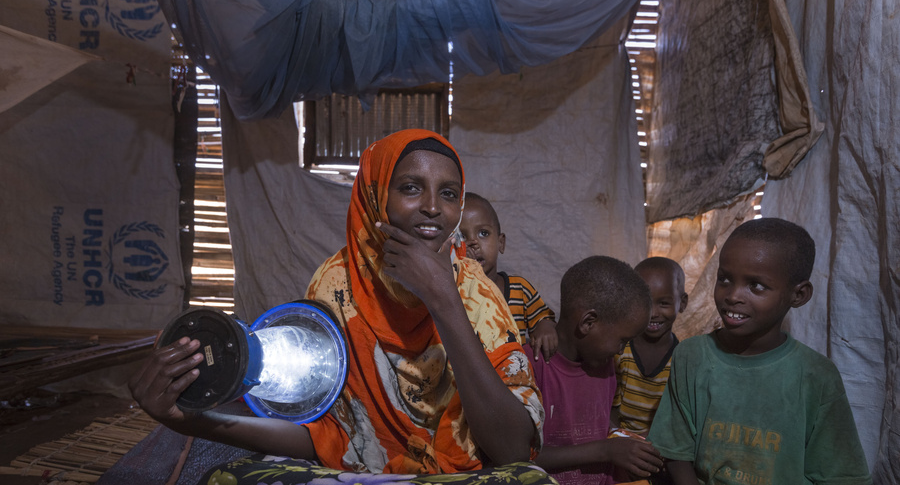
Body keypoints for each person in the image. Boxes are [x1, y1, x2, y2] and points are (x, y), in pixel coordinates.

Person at [129, 130, 546, 480]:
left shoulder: (476, 292)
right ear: (374, 195)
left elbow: (512, 450)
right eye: (410, 187)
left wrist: (444, 300)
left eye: (449, 194)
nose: (433, 208)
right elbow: (327, 438)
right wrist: (187, 420)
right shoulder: (337, 285)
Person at [647, 218, 872, 485]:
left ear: (798, 295)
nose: (733, 296)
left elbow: (840, 476)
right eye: (724, 279)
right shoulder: (692, 356)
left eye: (756, 285)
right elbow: (675, 451)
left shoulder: (816, 376)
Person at [527, 255, 665, 485]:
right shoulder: (529, 367)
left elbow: (597, 429)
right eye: (622, 340)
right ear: (588, 323)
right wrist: (607, 451)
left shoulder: (605, 367)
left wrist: (628, 447)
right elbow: (519, 456)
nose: (621, 351)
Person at [459, 192, 558, 361]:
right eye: (461, 236)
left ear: (501, 243)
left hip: (515, 374)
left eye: (483, 233)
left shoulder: (519, 289)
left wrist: (545, 327)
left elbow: (544, 319)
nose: (473, 242)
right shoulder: (454, 293)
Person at [613, 256, 688, 437]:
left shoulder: (683, 360)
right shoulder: (619, 351)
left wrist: (649, 441)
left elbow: (677, 420)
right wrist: (620, 438)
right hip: (619, 440)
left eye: (664, 303)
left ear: (682, 303)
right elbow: (609, 409)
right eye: (644, 302)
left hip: (662, 441)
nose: (652, 313)